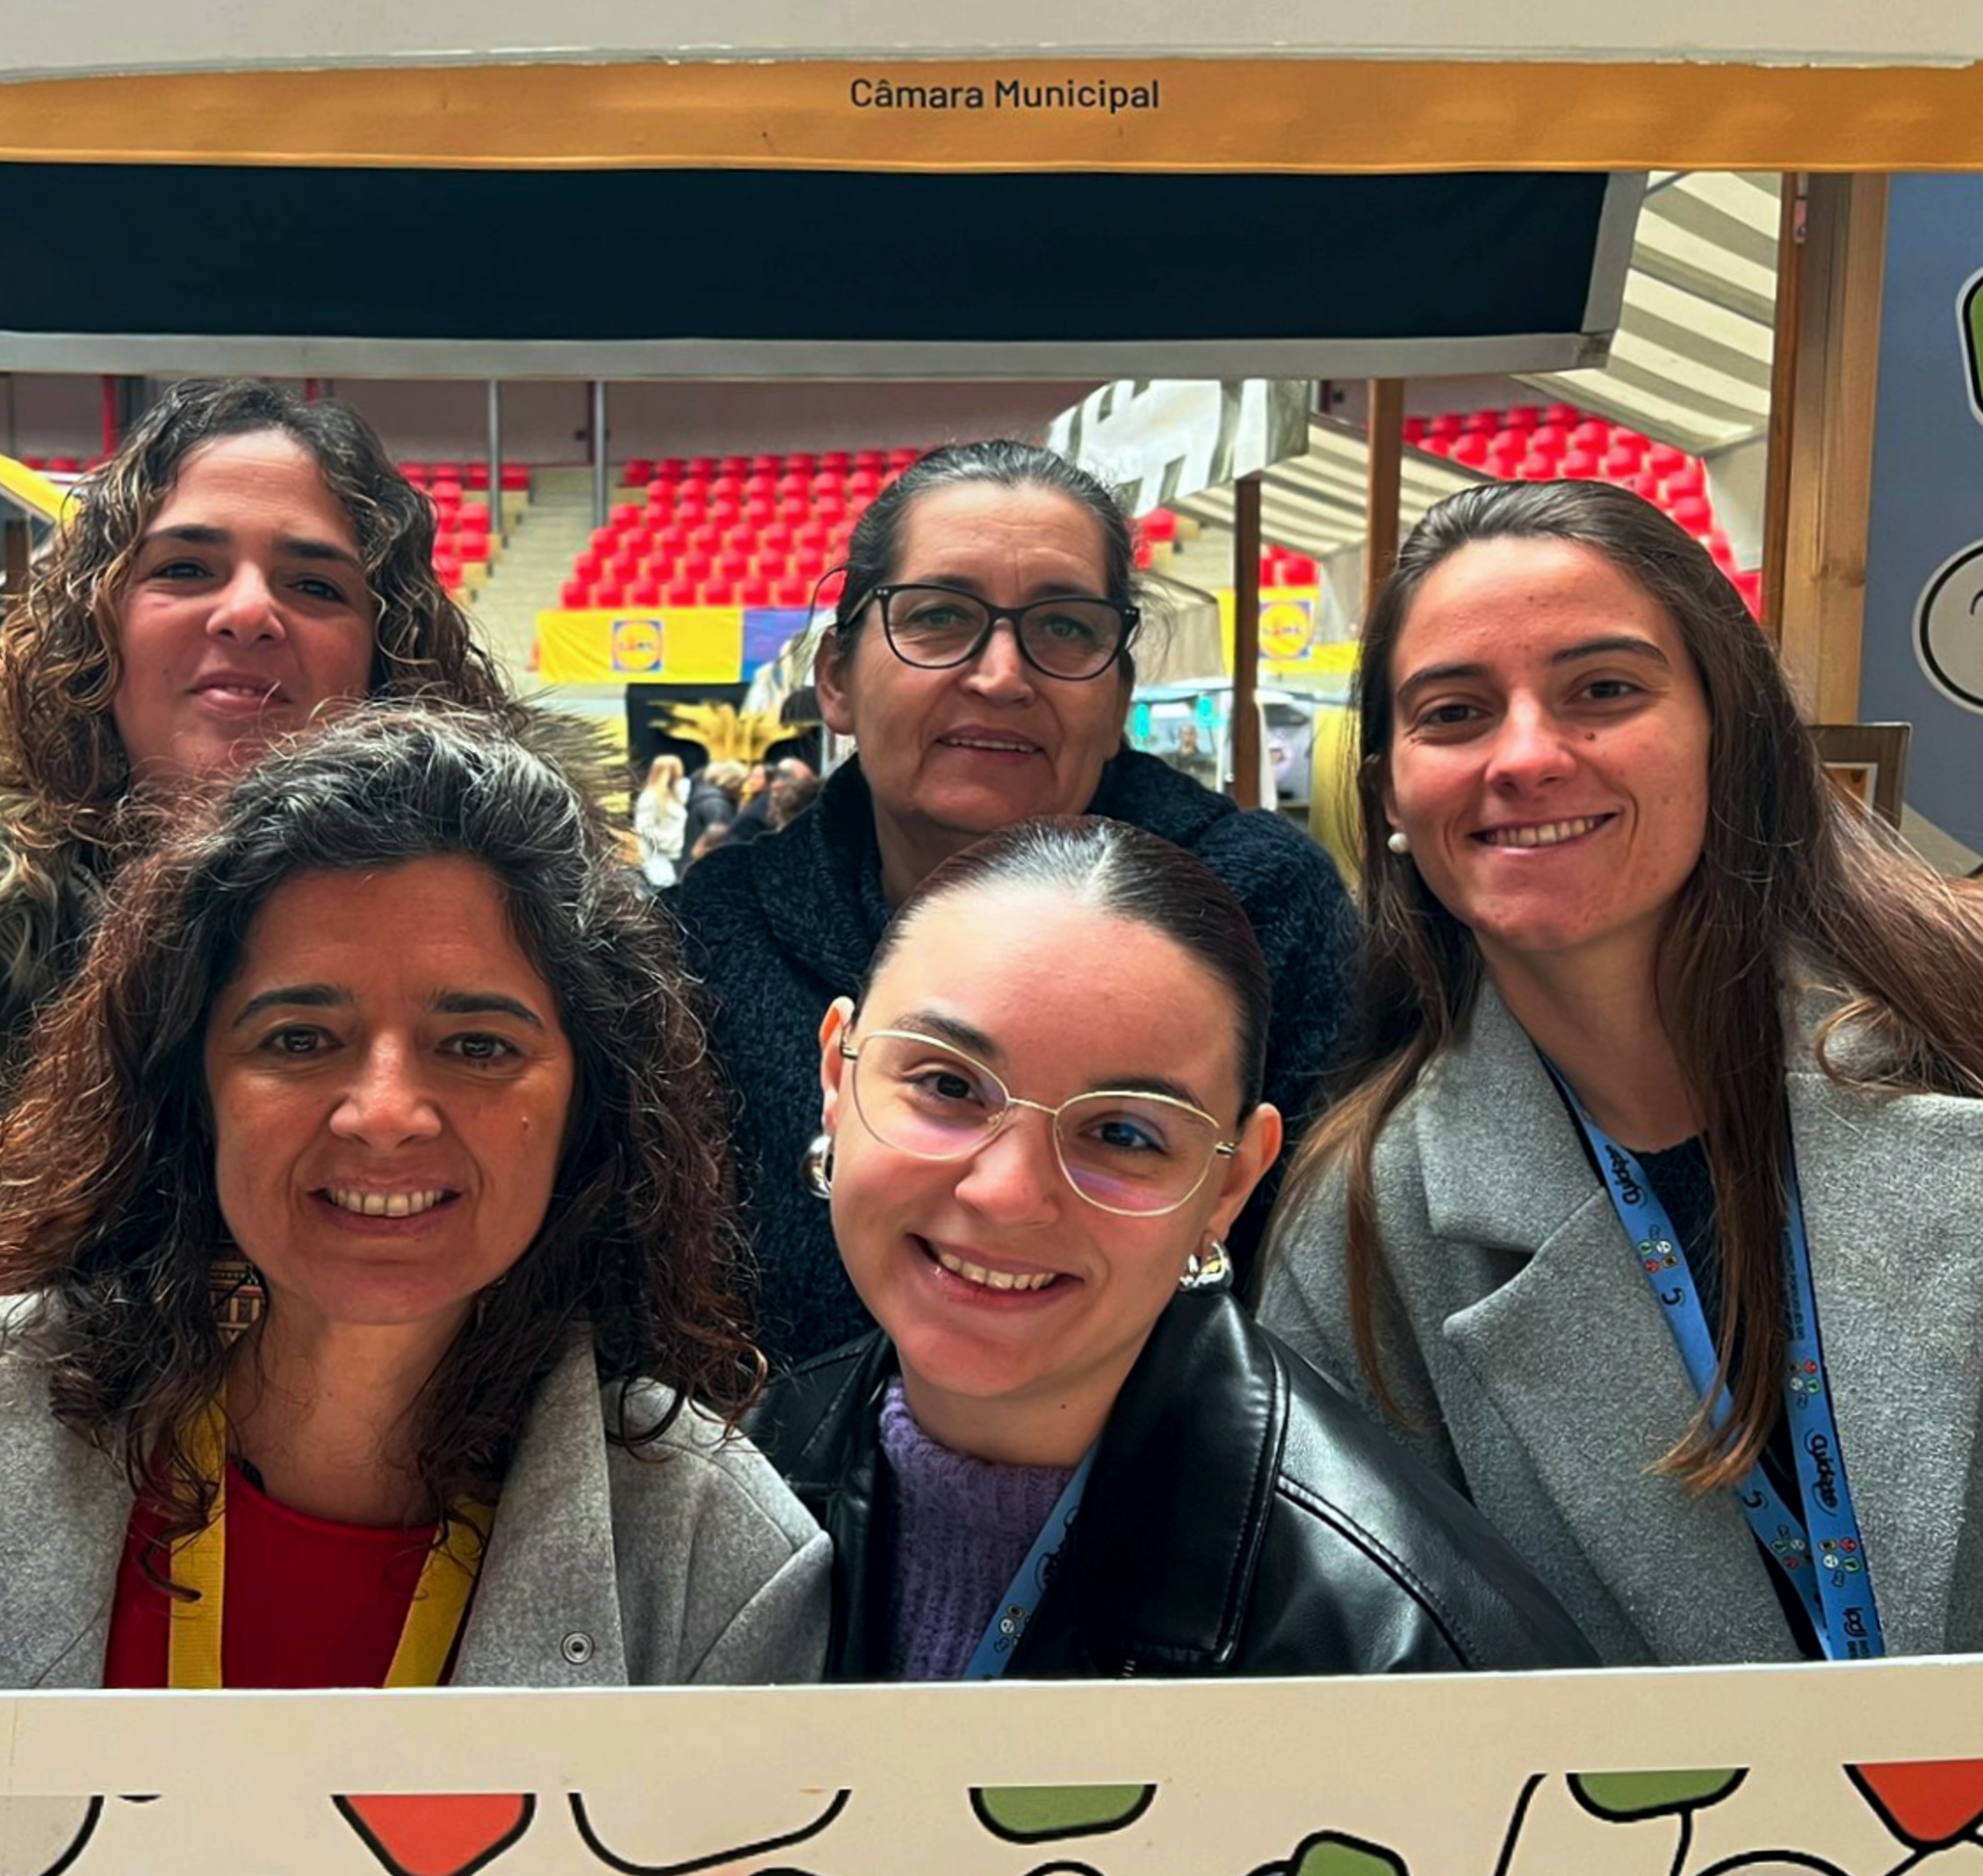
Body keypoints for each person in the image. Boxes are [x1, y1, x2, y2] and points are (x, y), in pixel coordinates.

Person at [0, 710, 826, 1692]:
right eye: (300, 1037)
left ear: (591, 1102)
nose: (385, 1111)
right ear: (191, 1084)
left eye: (476, 1044)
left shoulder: (713, 1549)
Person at [1258, 481, 1983, 1666]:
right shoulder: (1359, 1239)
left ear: (1725, 731)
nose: (1527, 756)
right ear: (1391, 791)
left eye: (1604, 690)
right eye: (1455, 712)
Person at [0, 379, 527, 1490]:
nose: (247, 611)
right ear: (96, 622)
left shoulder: (535, 980)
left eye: (314, 581)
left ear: (388, 648)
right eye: (184, 568)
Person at [752, 819, 1591, 1679]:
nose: (1006, 1193)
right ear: (836, 1078)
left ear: (1232, 1184)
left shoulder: (1407, 1655)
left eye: (1122, 1132)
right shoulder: (733, 1488)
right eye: (947, 1085)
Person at [674, 441, 1359, 1363]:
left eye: (1066, 628)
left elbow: (1321, 1298)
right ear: (835, 677)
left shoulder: (1267, 906)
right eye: (938, 617)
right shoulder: (705, 938)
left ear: (1119, 691)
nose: (1001, 675)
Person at [634, 753, 691, 887]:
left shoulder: (676, 795)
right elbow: (644, 827)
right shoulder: (650, 798)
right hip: (657, 856)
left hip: (675, 855)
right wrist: (666, 842)